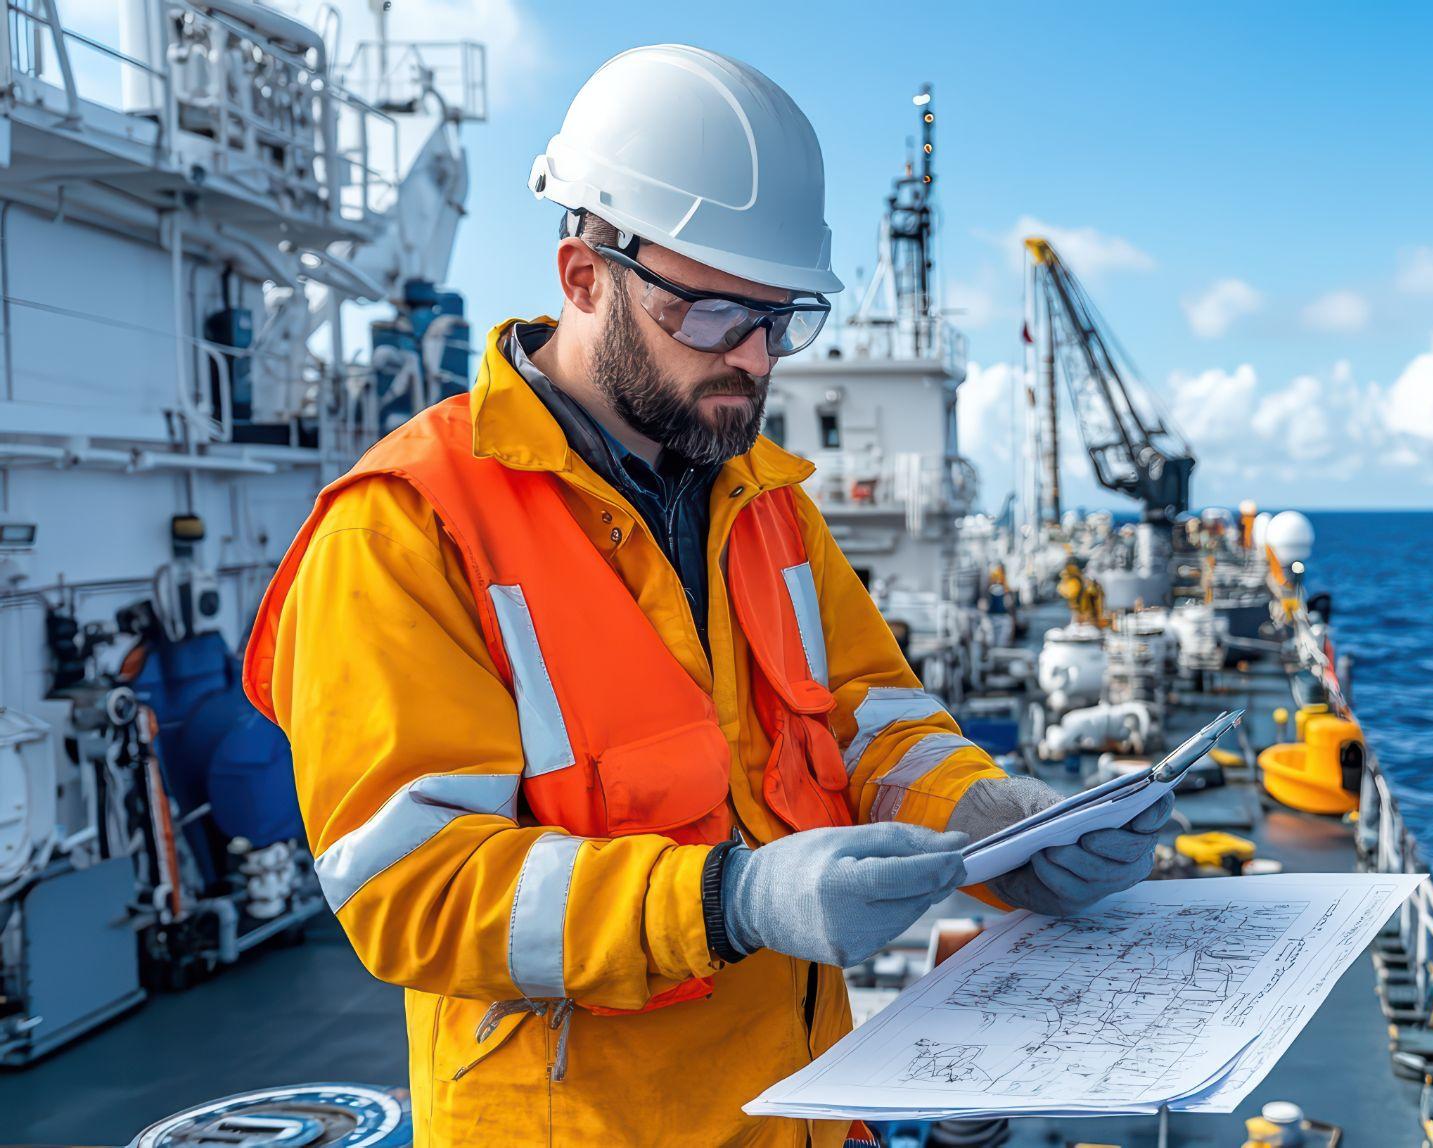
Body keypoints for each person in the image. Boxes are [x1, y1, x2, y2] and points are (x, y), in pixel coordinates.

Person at [241, 45, 1172, 1147]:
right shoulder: (407, 527)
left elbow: (871, 721)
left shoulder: (762, 502)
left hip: (809, 1117)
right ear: (582, 275)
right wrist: (726, 900)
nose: (753, 358)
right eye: (711, 314)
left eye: (779, 318)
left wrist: (997, 820)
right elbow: (412, 887)